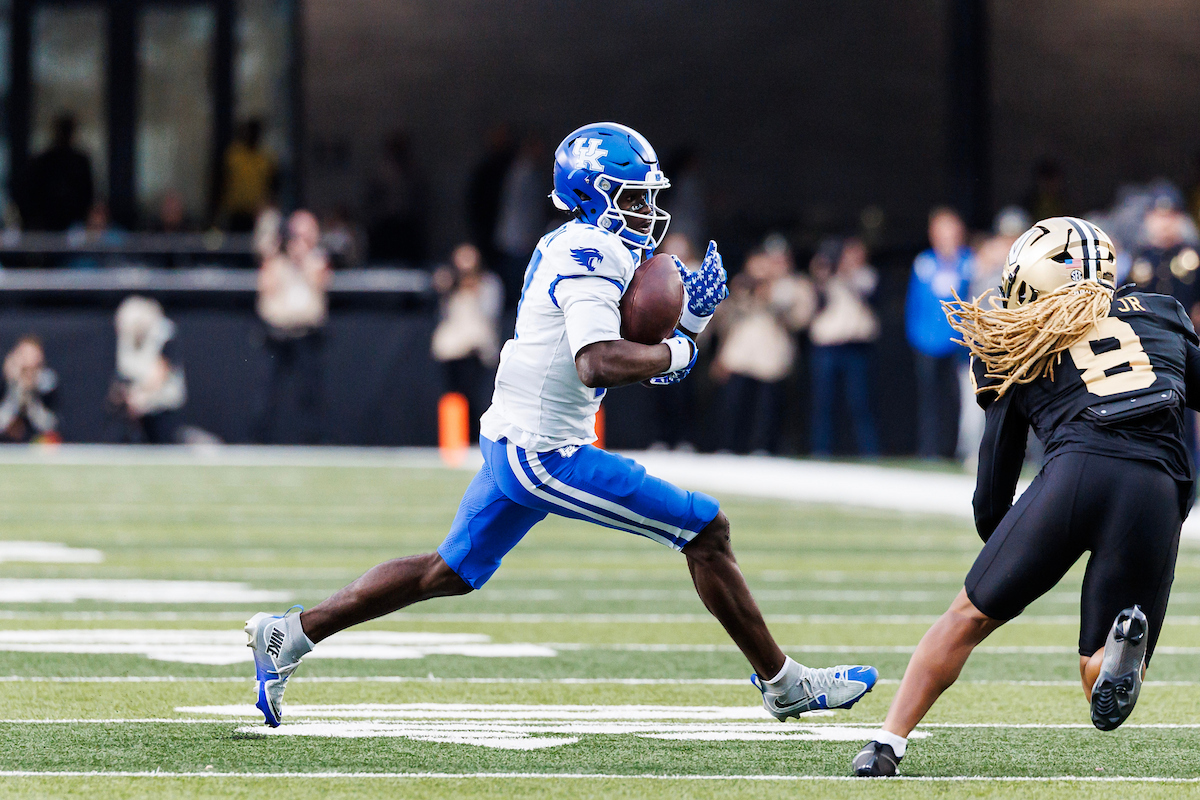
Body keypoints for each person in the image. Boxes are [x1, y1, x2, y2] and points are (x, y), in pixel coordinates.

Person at [244, 121, 877, 729]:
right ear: (594, 196)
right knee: (705, 529)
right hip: (544, 452)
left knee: (447, 572)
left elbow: (636, 363)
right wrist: (680, 349)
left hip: (518, 435)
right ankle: (783, 683)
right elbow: (597, 361)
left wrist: (688, 325)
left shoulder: (580, 243)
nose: (648, 211)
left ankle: (291, 633)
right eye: (633, 197)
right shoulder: (591, 251)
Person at [854, 218, 1198, 776]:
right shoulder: (1161, 313)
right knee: (1098, 681)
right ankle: (1116, 655)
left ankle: (885, 745)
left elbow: (996, 472)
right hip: (1157, 488)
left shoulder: (1017, 336)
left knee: (966, 618)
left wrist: (1010, 543)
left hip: (1075, 474)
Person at [710, 238, 816, 454]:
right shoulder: (742, 283)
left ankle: (762, 448)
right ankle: (727, 447)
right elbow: (724, 320)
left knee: (766, 408)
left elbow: (801, 319)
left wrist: (771, 297)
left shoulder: (793, 286)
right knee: (734, 405)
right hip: (740, 354)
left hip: (771, 357)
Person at [253, 210, 331, 444]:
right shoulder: (276, 261)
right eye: (297, 234)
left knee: (310, 393)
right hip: (276, 335)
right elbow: (265, 290)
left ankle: (313, 442)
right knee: (266, 392)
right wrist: (275, 255)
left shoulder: (317, 260)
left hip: (306, 335)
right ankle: (260, 441)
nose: (300, 240)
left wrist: (303, 259)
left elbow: (321, 284)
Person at [906, 207, 973, 459]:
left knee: (958, 399)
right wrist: (915, 335)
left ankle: (954, 448)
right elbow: (914, 303)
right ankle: (929, 449)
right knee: (929, 399)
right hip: (926, 342)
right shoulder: (924, 263)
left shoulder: (969, 261)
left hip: (958, 342)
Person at [809, 237, 880, 456]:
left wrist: (844, 271)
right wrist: (823, 269)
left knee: (860, 402)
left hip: (855, 346)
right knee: (823, 402)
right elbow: (814, 295)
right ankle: (821, 451)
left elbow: (864, 289)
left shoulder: (866, 275)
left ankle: (869, 452)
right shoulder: (825, 275)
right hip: (827, 346)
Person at [430, 243, 503, 441]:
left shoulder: (488, 283)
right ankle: (454, 438)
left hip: (476, 348)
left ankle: (475, 438)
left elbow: (491, 313)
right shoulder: (449, 282)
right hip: (451, 348)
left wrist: (476, 291)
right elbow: (440, 311)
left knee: (475, 396)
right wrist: (448, 286)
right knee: (453, 396)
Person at [108, 296, 187, 444]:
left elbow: (160, 372)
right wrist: (125, 395)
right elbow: (123, 373)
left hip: (162, 406)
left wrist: (140, 395)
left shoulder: (164, 333)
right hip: (135, 408)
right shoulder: (126, 336)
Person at [16, 114, 94, 231]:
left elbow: (87, 193)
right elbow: (30, 192)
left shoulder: (79, 162)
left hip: (74, 225)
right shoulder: (44, 161)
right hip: (45, 223)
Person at [219, 119, 277, 233]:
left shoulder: (265, 158)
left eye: (255, 133)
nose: (252, 136)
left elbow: (272, 186)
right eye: (250, 132)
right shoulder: (233, 156)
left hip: (256, 213)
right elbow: (221, 182)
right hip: (234, 212)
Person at [0, 336, 59, 443]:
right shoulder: (5, 382)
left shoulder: (46, 382)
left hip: (37, 440)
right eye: (23, 355)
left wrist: (31, 392)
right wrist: (14, 385)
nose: (27, 360)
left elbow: (49, 424)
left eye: (32, 355)